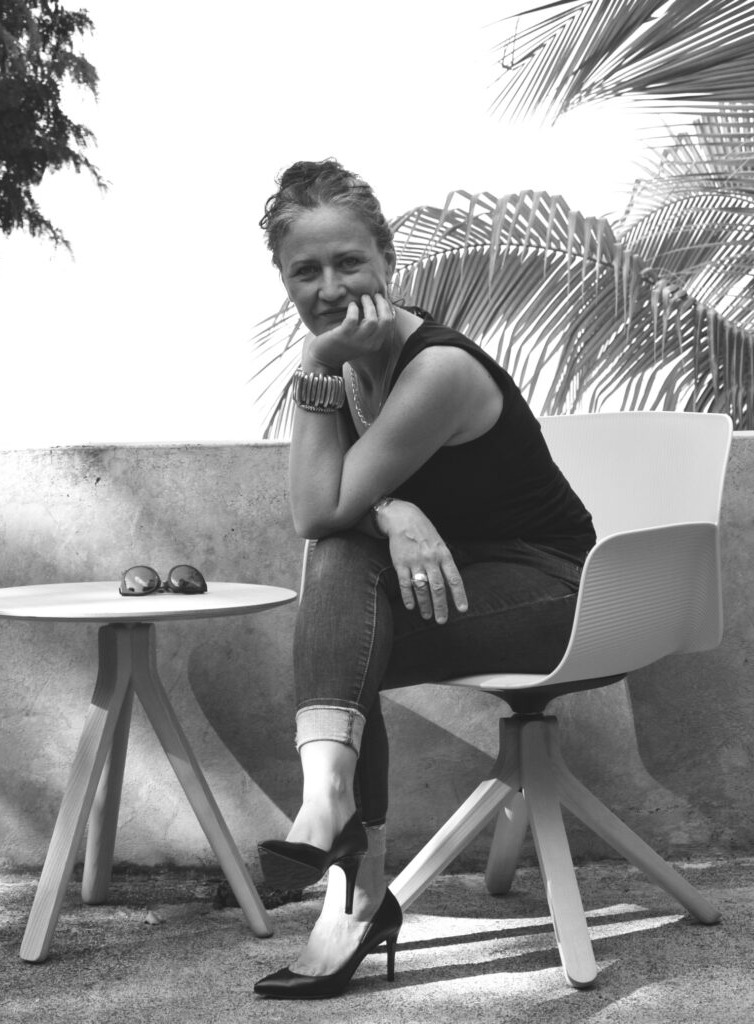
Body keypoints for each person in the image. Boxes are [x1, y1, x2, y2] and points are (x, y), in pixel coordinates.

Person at [252, 159, 596, 999]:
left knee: (343, 629)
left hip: (563, 592)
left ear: (388, 259)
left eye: (349, 263)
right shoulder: (351, 368)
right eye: (305, 271)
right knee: (344, 589)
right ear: (283, 279)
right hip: (474, 581)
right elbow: (329, 512)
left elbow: (316, 509)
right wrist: (392, 510)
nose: (330, 288)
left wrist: (314, 362)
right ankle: (335, 824)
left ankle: (349, 874)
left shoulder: (436, 368)